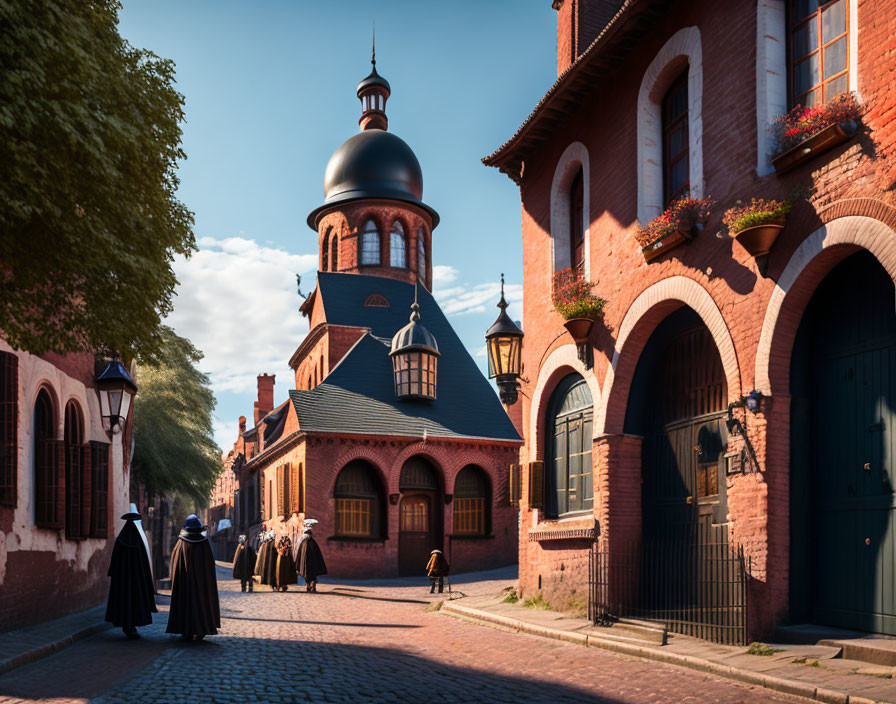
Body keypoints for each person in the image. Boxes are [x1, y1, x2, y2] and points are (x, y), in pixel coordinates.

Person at [166, 515, 221, 642]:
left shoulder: (181, 543)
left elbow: (174, 564)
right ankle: (201, 628)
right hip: (201, 585)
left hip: (184, 583)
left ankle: (186, 630)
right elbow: (209, 567)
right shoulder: (204, 543)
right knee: (201, 601)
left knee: (185, 601)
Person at [105, 511, 156, 639]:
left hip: (122, 580)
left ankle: (127, 626)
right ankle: (132, 626)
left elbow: (115, 561)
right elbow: (144, 563)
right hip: (137, 580)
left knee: (124, 599)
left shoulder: (120, 540)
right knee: (134, 599)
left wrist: (115, 574)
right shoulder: (138, 541)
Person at [296, 524, 327, 593]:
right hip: (307, 564)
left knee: (311, 577)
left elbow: (316, 554)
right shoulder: (305, 542)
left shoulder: (311, 542)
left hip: (310, 564)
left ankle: (311, 587)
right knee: (308, 577)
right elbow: (300, 554)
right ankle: (309, 587)